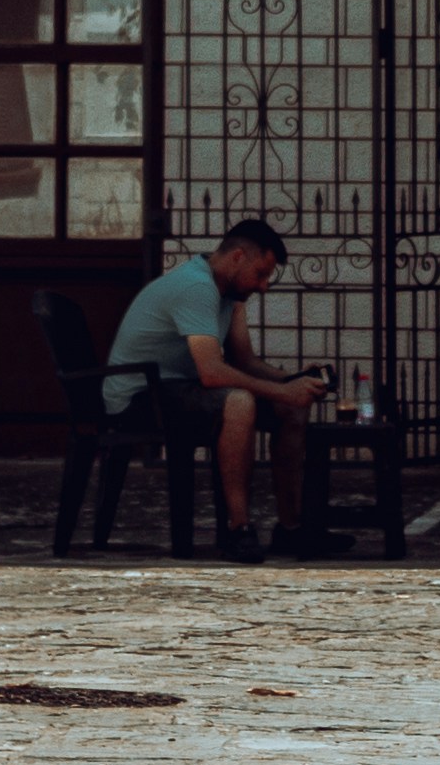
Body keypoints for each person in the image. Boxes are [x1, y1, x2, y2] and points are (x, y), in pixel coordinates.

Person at [102, 216, 326, 555]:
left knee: (290, 408)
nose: (264, 286)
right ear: (237, 257)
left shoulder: (230, 294)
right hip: (139, 397)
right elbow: (212, 373)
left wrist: (291, 381)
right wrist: (282, 390)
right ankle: (238, 529)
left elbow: (245, 361)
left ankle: (290, 529)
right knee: (239, 402)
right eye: (261, 274)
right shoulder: (197, 287)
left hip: (179, 388)